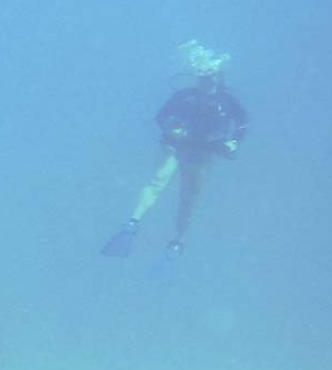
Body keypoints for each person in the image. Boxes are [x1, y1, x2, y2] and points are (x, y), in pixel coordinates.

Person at [101, 40, 249, 259]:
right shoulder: (185, 96)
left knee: (189, 196)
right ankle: (133, 223)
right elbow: (161, 116)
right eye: (203, 77)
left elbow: (243, 123)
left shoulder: (227, 101)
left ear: (219, 77)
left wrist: (234, 141)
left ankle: (177, 241)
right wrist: (172, 127)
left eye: (211, 77)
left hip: (204, 151)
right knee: (158, 181)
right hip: (177, 145)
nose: (207, 81)